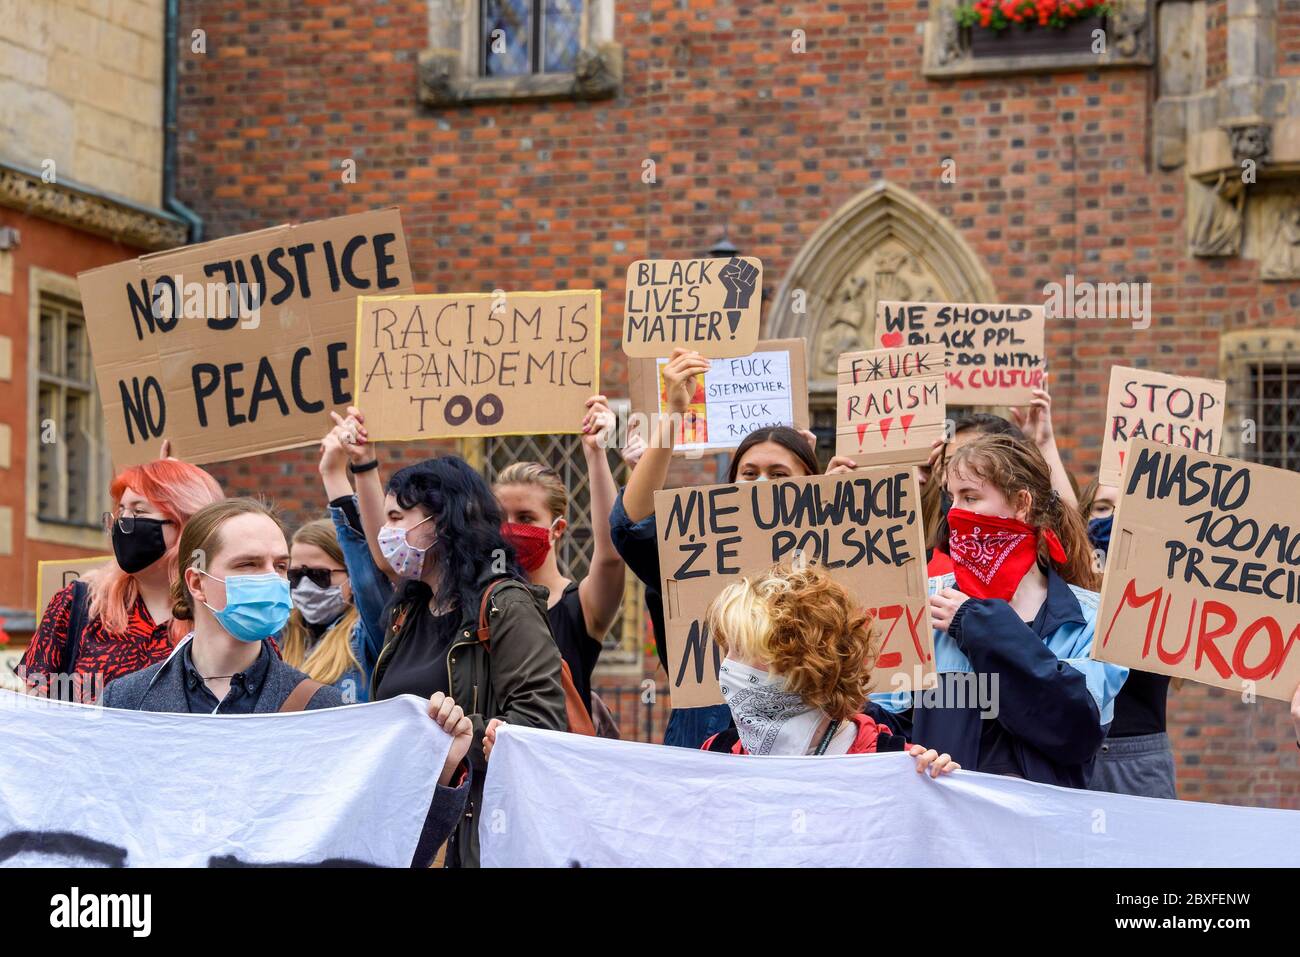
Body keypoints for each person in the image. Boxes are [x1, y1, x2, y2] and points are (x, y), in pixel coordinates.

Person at [99, 498, 471, 867]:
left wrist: (444, 771)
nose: (271, 579)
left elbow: (380, 851)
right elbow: (96, 833)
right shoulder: (128, 700)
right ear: (197, 582)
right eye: (248, 564)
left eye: (280, 566)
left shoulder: (321, 711)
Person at [319, 406, 567, 868]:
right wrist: (346, 466)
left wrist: (454, 738)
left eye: (398, 518)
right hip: (402, 832)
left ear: (443, 521)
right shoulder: (407, 611)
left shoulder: (505, 605)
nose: (388, 533)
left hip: (472, 838)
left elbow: (542, 728)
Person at [609, 348, 857, 749]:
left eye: (779, 475)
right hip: (705, 749)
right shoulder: (698, 551)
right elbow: (630, 527)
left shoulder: (832, 562)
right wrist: (672, 414)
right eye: (749, 473)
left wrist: (836, 508)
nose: (761, 485)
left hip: (806, 759)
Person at [871, 433, 1129, 788]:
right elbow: (885, 724)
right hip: (943, 822)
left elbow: (1074, 731)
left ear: (1021, 503)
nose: (956, 512)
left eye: (971, 497)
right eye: (952, 498)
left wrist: (978, 625)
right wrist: (912, 753)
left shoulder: (1093, 618)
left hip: (1038, 830)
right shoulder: (923, 600)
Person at [19, 457, 224, 701]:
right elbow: (33, 713)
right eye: (121, 511)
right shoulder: (79, 604)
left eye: (138, 511)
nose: (123, 523)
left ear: (187, 526)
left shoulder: (227, 614)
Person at [492, 395, 624, 715]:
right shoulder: (482, 602)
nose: (510, 529)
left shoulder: (579, 606)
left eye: (525, 518)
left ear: (557, 528)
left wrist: (595, 453)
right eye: (501, 517)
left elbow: (611, 555)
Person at [1080, 479, 1178, 799]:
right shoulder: (1069, 588)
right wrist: (1045, 441)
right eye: (1103, 508)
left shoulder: (1167, 589)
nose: (1114, 518)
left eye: (1126, 509)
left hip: (1141, 764)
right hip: (1078, 758)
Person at [278, 518, 376, 703]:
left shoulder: (368, 635)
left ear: (352, 575)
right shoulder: (278, 633)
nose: (305, 585)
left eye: (319, 575)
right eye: (296, 575)